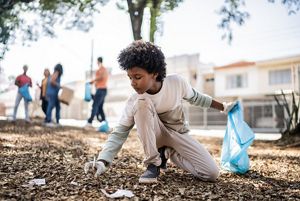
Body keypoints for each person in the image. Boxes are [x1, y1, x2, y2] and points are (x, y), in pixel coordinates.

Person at [84, 40, 237, 184]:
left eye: (137, 77)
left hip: (178, 134)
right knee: (141, 102)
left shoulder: (176, 83)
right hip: (155, 137)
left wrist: (223, 107)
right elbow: (119, 133)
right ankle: (153, 164)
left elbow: (198, 98)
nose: (132, 83)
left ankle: (168, 153)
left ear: (155, 73)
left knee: (211, 173)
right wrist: (102, 161)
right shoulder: (134, 99)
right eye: (130, 77)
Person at [85, 57, 109, 129]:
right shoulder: (102, 69)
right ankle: (104, 122)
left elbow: (101, 77)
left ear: (98, 61)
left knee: (95, 105)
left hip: (101, 89)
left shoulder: (102, 69)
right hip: (102, 90)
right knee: (100, 107)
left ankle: (89, 122)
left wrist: (93, 81)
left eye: (97, 61)